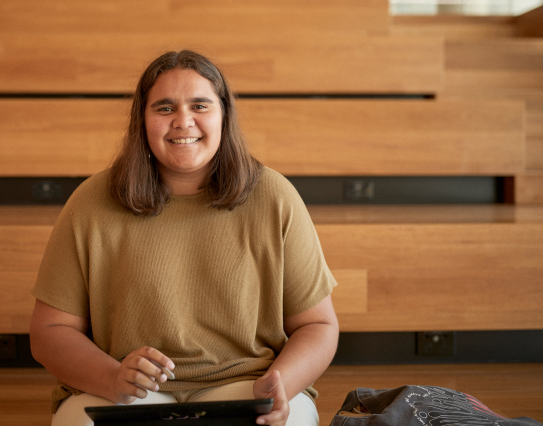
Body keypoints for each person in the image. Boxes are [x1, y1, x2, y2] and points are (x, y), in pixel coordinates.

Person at [30, 50, 339, 426]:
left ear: (224, 115)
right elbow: (50, 332)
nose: (183, 121)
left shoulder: (274, 196)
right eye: (164, 108)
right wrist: (113, 377)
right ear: (142, 121)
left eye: (199, 105)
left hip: (246, 385)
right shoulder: (91, 202)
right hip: (122, 390)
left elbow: (318, 325)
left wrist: (283, 384)